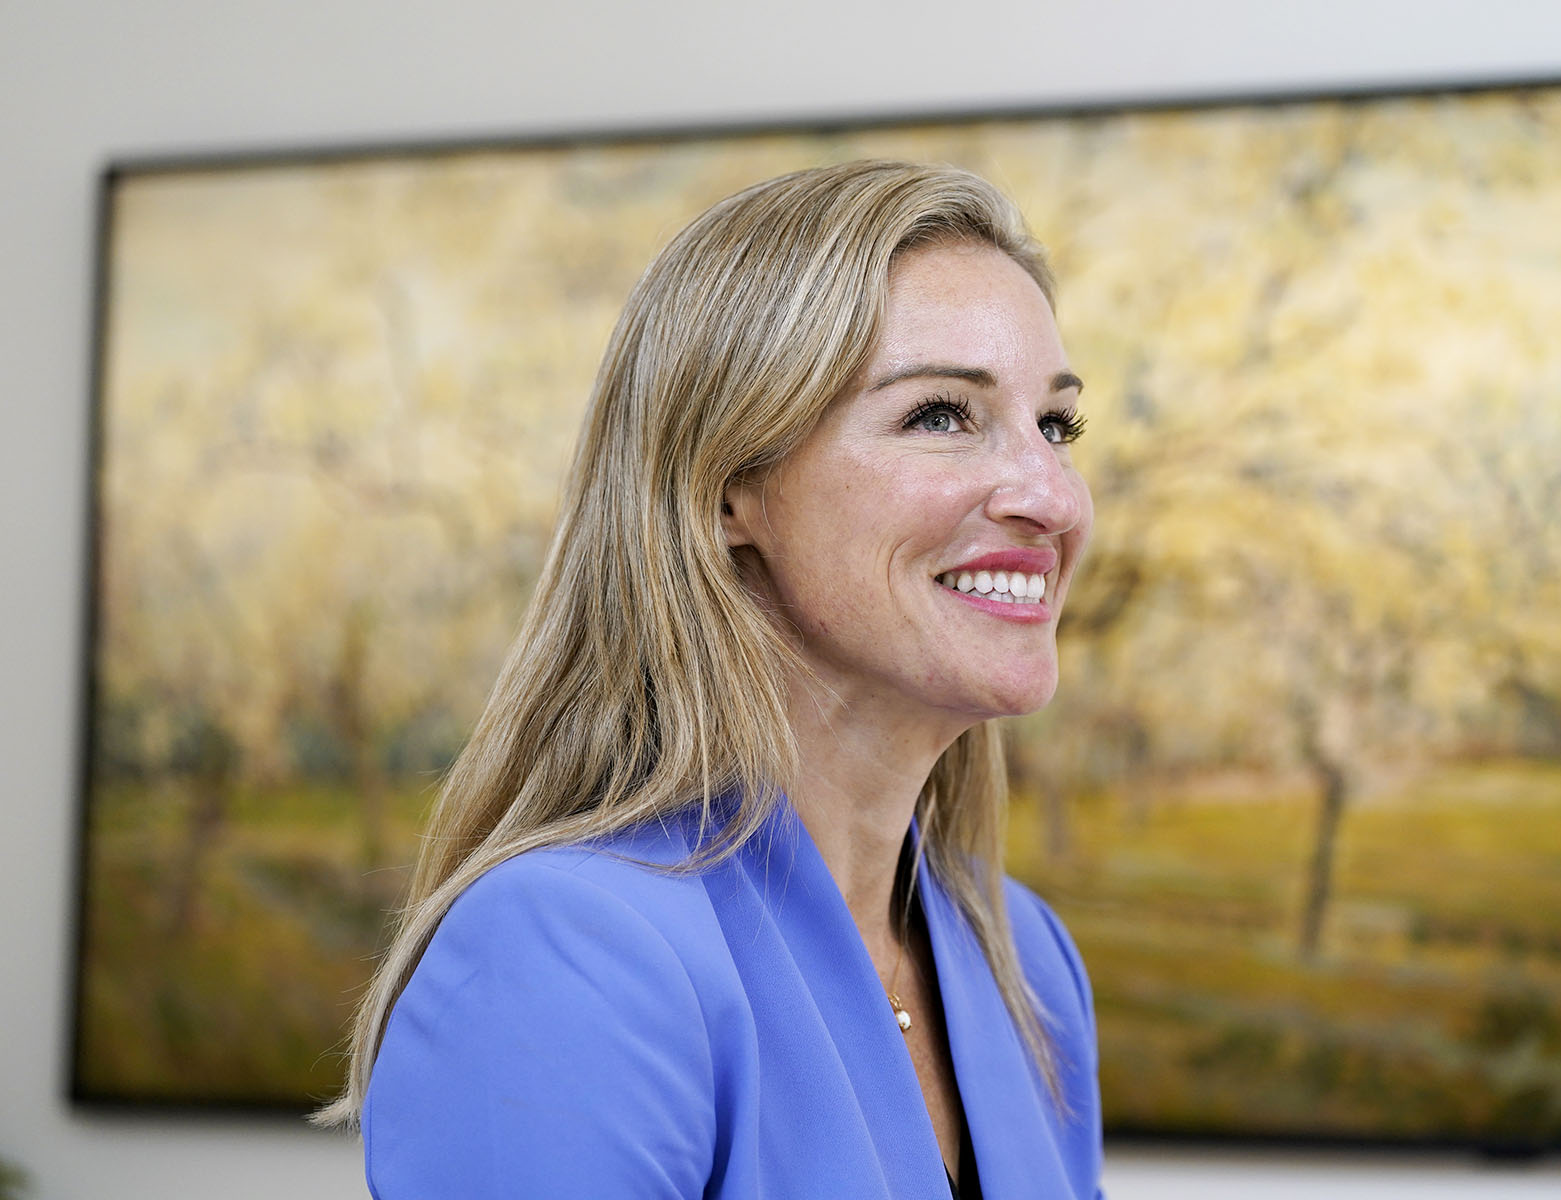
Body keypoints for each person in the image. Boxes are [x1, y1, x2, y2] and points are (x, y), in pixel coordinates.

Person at [317, 159, 1104, 1199]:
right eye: (943, 415)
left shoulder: (1024, 963)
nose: (1050, 496)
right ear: (730, 491)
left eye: (1056, 426)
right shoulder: (569, 961)